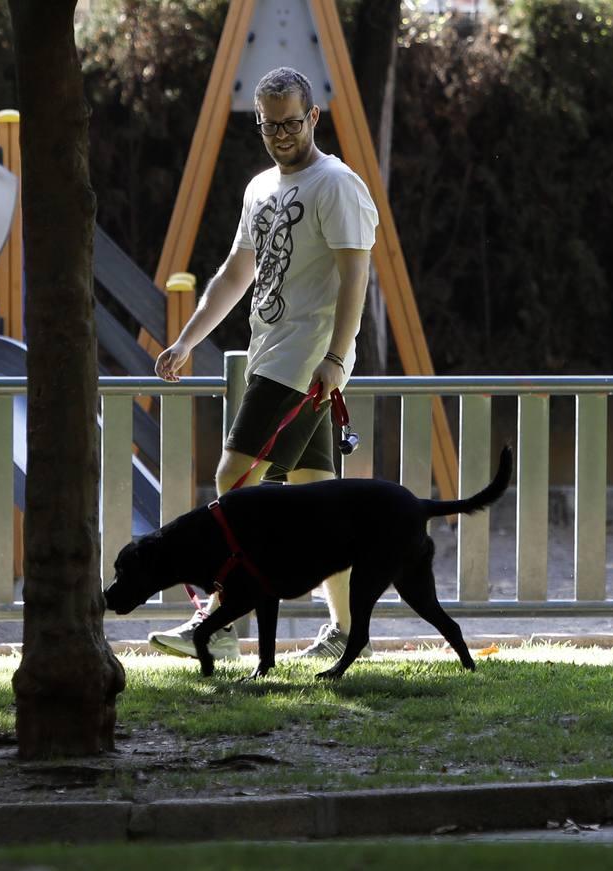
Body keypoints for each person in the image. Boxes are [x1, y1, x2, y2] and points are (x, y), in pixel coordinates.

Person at [147, 66, 379, 662]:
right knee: (318, 499)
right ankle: (349, 635)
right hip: (270, 353)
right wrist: (188, 339)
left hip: (302, 363)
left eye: (292, 122)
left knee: (234, 484)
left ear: (313, 118)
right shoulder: (259, 188)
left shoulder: (337, 184)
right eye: (269, 124)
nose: (280, 134)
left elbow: (356, 274)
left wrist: (333, 356)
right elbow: (236, 273)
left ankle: (219, 628)